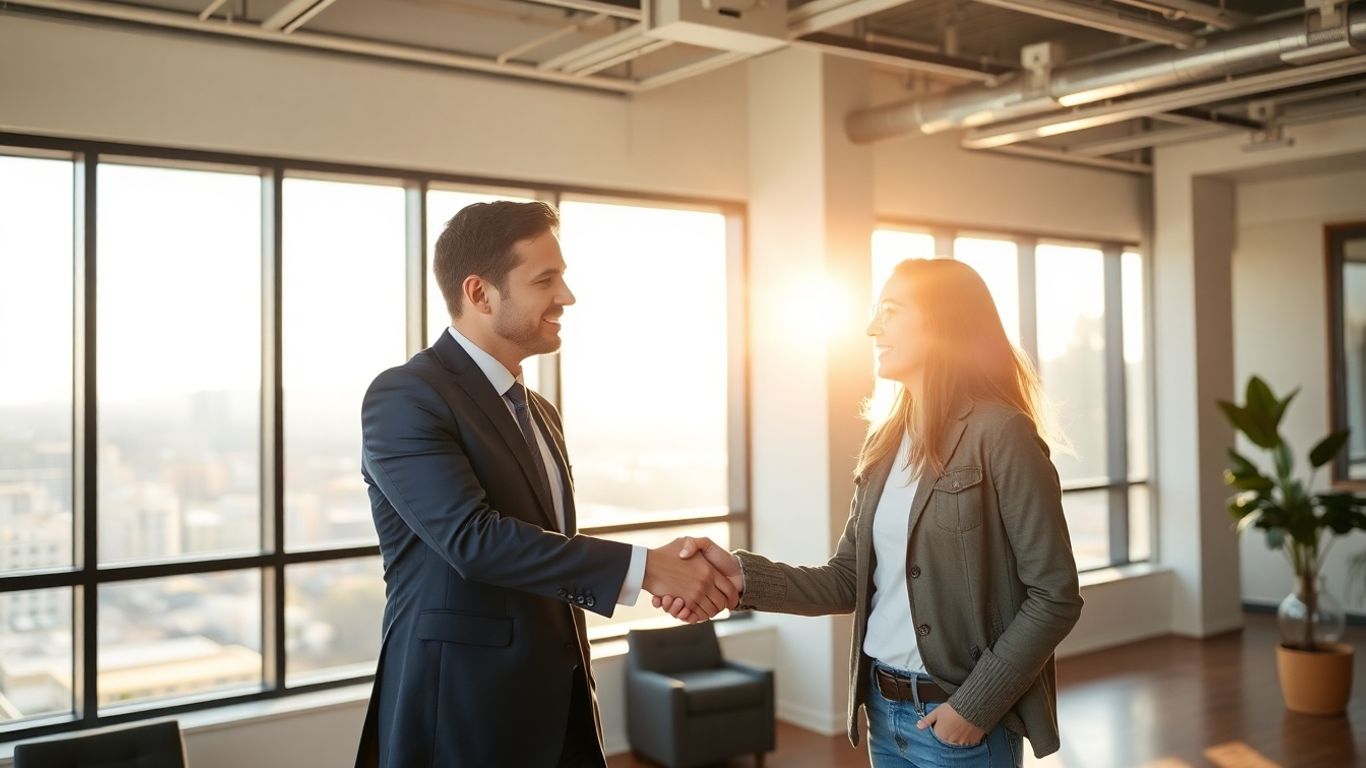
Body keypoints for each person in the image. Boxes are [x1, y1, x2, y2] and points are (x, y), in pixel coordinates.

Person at [354, 200, 739, 768]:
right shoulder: (406, 395)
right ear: (480, 293)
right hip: (463, 713)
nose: (567, 297)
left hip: (561, 703)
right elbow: (473, 541)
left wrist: (670, 577)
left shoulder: (539, 412)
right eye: (545, 280)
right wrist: (647, 568)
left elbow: (545, 554)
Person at [657, 257, 1084, 767]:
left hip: (961, 722)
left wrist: (973, 707)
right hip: (883, 715)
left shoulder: (1000, 435)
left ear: (940, 321)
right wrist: (739, 575)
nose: (871, 327)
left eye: (890, 310)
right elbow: (847, 579)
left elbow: (1054, 595)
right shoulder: (885, 441)